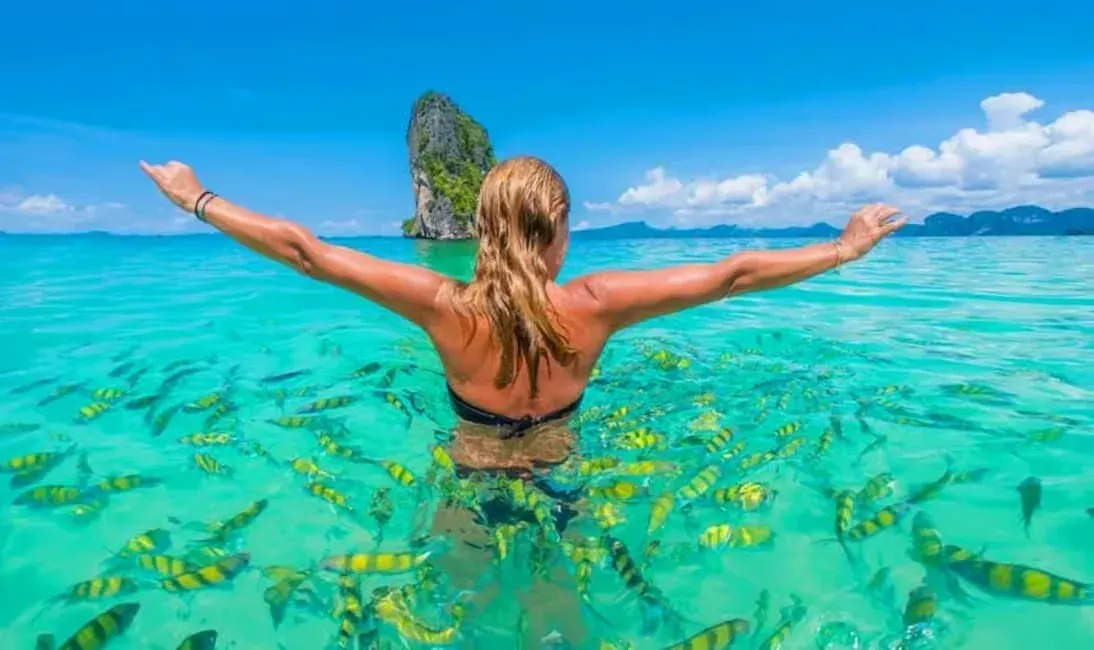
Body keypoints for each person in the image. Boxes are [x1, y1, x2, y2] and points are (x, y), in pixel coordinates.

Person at [140, 155, 905, 645]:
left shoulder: (445, 305)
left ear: (482, 229)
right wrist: (846, 247)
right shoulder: (598, 303)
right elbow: (735, 272)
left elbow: (307, 252)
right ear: (562, 229)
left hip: (471, 480)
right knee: (558, 611)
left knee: (460, 613)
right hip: (565, 480)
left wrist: (197, 199)